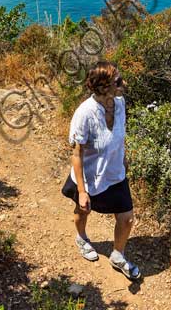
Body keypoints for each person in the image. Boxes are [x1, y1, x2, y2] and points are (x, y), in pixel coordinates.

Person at [61, 60, 141, 281]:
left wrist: (123, 159)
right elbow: (76, 154)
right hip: (89, 177)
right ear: (104, 87)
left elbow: (119, 135)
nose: (123, 83)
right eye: (118, 81)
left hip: (115, 174)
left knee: (127, 219)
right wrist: (83, 190)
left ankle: (117, 254)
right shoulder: (84, 114)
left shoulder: (120, 103)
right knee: (82, 211)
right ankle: (82, 238)